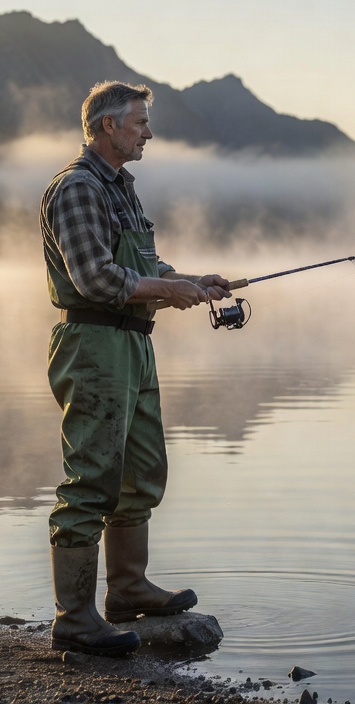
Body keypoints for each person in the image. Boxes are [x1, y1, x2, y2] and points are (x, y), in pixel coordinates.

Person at [39, 81, 231, 657]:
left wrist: (193, 283)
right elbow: (95, 278)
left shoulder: (121, 188)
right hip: (94, 345)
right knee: (92, 478)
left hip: (134, 344)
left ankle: (126, 592)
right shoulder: (76, 188)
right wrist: (166, 289)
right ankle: (74, 618)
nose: (148, 132)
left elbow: (143, 265)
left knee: (141, 471)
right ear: (106, 126)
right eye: (140, 122)